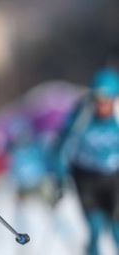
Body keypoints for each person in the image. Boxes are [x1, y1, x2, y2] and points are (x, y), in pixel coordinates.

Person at [50, 67, 119, 255]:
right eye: (98, 100)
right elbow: (60, 146)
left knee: (117, 230)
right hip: (86, 179)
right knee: (95, 229)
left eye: (107, 100)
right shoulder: (82, 115)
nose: (102, 105)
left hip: (114, 179)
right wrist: (59, 176)